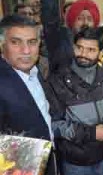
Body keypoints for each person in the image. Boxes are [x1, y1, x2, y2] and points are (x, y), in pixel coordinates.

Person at [48, 27, 103, 175]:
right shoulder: (58, 80)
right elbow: (53, 125)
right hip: (75, 160)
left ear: (101, 53)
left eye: (91, 50)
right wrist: (91, 133)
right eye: (80, 48)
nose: (83, 54)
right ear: (73, 47)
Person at [0, 14, 57, 175]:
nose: (26, 51)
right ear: (2, 45)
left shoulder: (35, 72)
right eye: (15, 42)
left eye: (32, 42)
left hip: (46, 162)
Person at [41, 0, 100, 72]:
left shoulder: (100, 42)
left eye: (89, 19)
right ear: (72, 20)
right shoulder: (58, 38)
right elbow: (49, 11)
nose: (85, 22)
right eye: (80, 18)